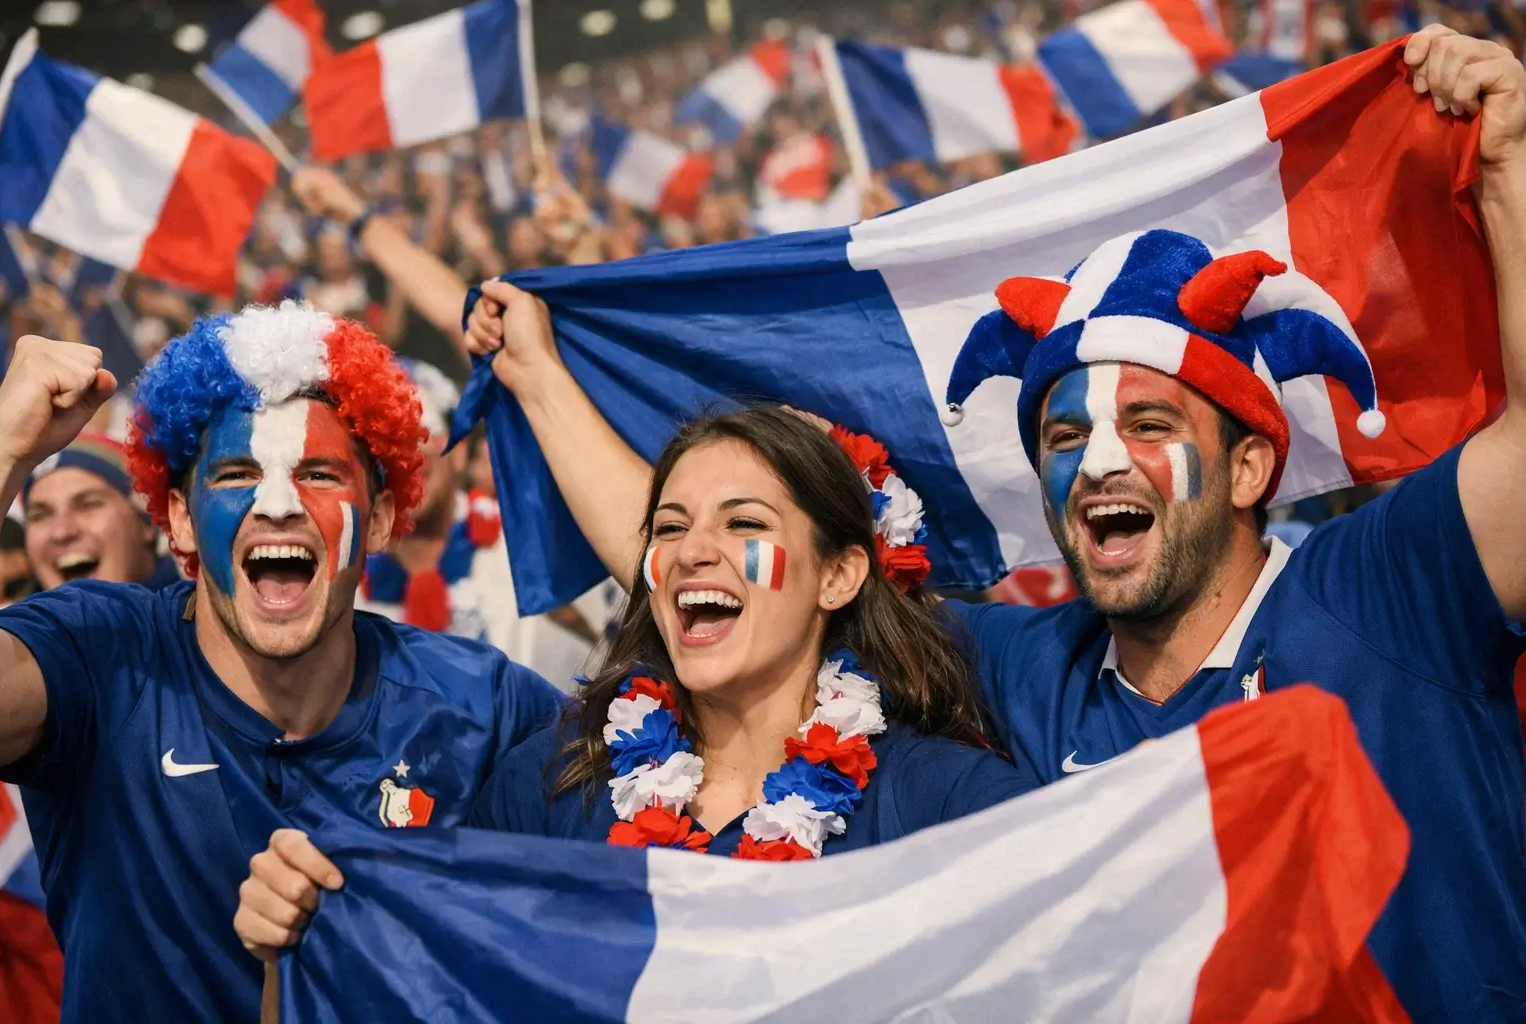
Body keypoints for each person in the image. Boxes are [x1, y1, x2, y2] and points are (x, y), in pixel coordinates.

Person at [459, 28, 1526, 1020]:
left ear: (1252, 462)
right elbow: (735, 589)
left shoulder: (1385, 587)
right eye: (1064, 437)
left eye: (1148, 422)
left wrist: (1514, 167)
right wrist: (542, 378)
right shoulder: (1025, 668)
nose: (1098, 458)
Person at [233, 406, 1032, 956]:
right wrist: (306, 920)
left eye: (743, 523)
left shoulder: (944, 806)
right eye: (671, 527)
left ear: (840, 574)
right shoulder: (555, 786)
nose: (692, 552)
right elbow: (436, 970)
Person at [0, 302, 563, 1023]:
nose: (279, 503)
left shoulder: (482, 705)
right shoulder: (104, 656)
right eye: (236, 474)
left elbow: (652, 829)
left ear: (382, 518)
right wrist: (2, 448)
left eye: (319, 474)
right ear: (177, 519)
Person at [356, 358, 600, 686]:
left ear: (458, 453)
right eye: (388, 443)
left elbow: (607, 643)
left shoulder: (520, 544)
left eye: (420, 433)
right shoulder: (351, 573)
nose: (405, 456)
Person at [19, 432, 177, 591]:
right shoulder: (6, 615)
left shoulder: (195, 612)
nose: (62, 532)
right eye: (39, 516)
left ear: (148, 521)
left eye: (88, 505)